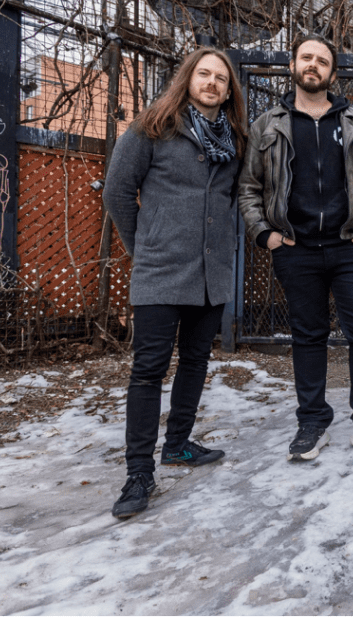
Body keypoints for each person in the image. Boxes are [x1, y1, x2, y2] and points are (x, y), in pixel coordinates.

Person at [104, 47, 247, 519]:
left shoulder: (235, 140)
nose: (212, 83)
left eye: (220, 79)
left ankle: (178, 443)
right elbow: (118, 191)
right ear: (188, 78)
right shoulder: (153, 126)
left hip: (211, 274)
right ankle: (139, 473)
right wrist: (143, 245)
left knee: (195, 361)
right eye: (204, 74)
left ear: (229, 91)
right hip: (161, 272)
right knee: (148, 371)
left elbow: (233, 199)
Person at [238, 34, 353, 463]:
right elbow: (249, 187)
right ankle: (312, 421)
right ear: (293, 66)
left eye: (322, 60)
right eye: (306, 57)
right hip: (295, 247)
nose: (313, 65)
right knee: (308, 336)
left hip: (351, 246)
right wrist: (265, 234)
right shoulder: (268, 124)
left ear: (332, 73)